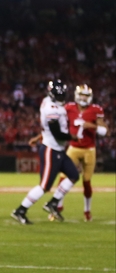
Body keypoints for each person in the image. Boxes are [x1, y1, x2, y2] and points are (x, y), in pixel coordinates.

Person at [12, 80, 79, 224]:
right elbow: (56, 133)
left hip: (58, 149)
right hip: (51, 150)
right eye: (59, 95)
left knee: (73, 175)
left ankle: (53, 203)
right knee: (44, 186)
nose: (62, 98)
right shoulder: (51, 108)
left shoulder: (49, 103)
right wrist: (72, 137)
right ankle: (21, 210)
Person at [56, 84, 108, 221]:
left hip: (89, 149)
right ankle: (58, 208)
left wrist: (90, 125)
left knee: (86, 181)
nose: (83, 98)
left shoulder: (96, 110)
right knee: (62, 178)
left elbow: (104, 131)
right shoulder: (69, 107)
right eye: (82, 95)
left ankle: (87, 210)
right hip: (73, 147)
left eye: (86, 95)